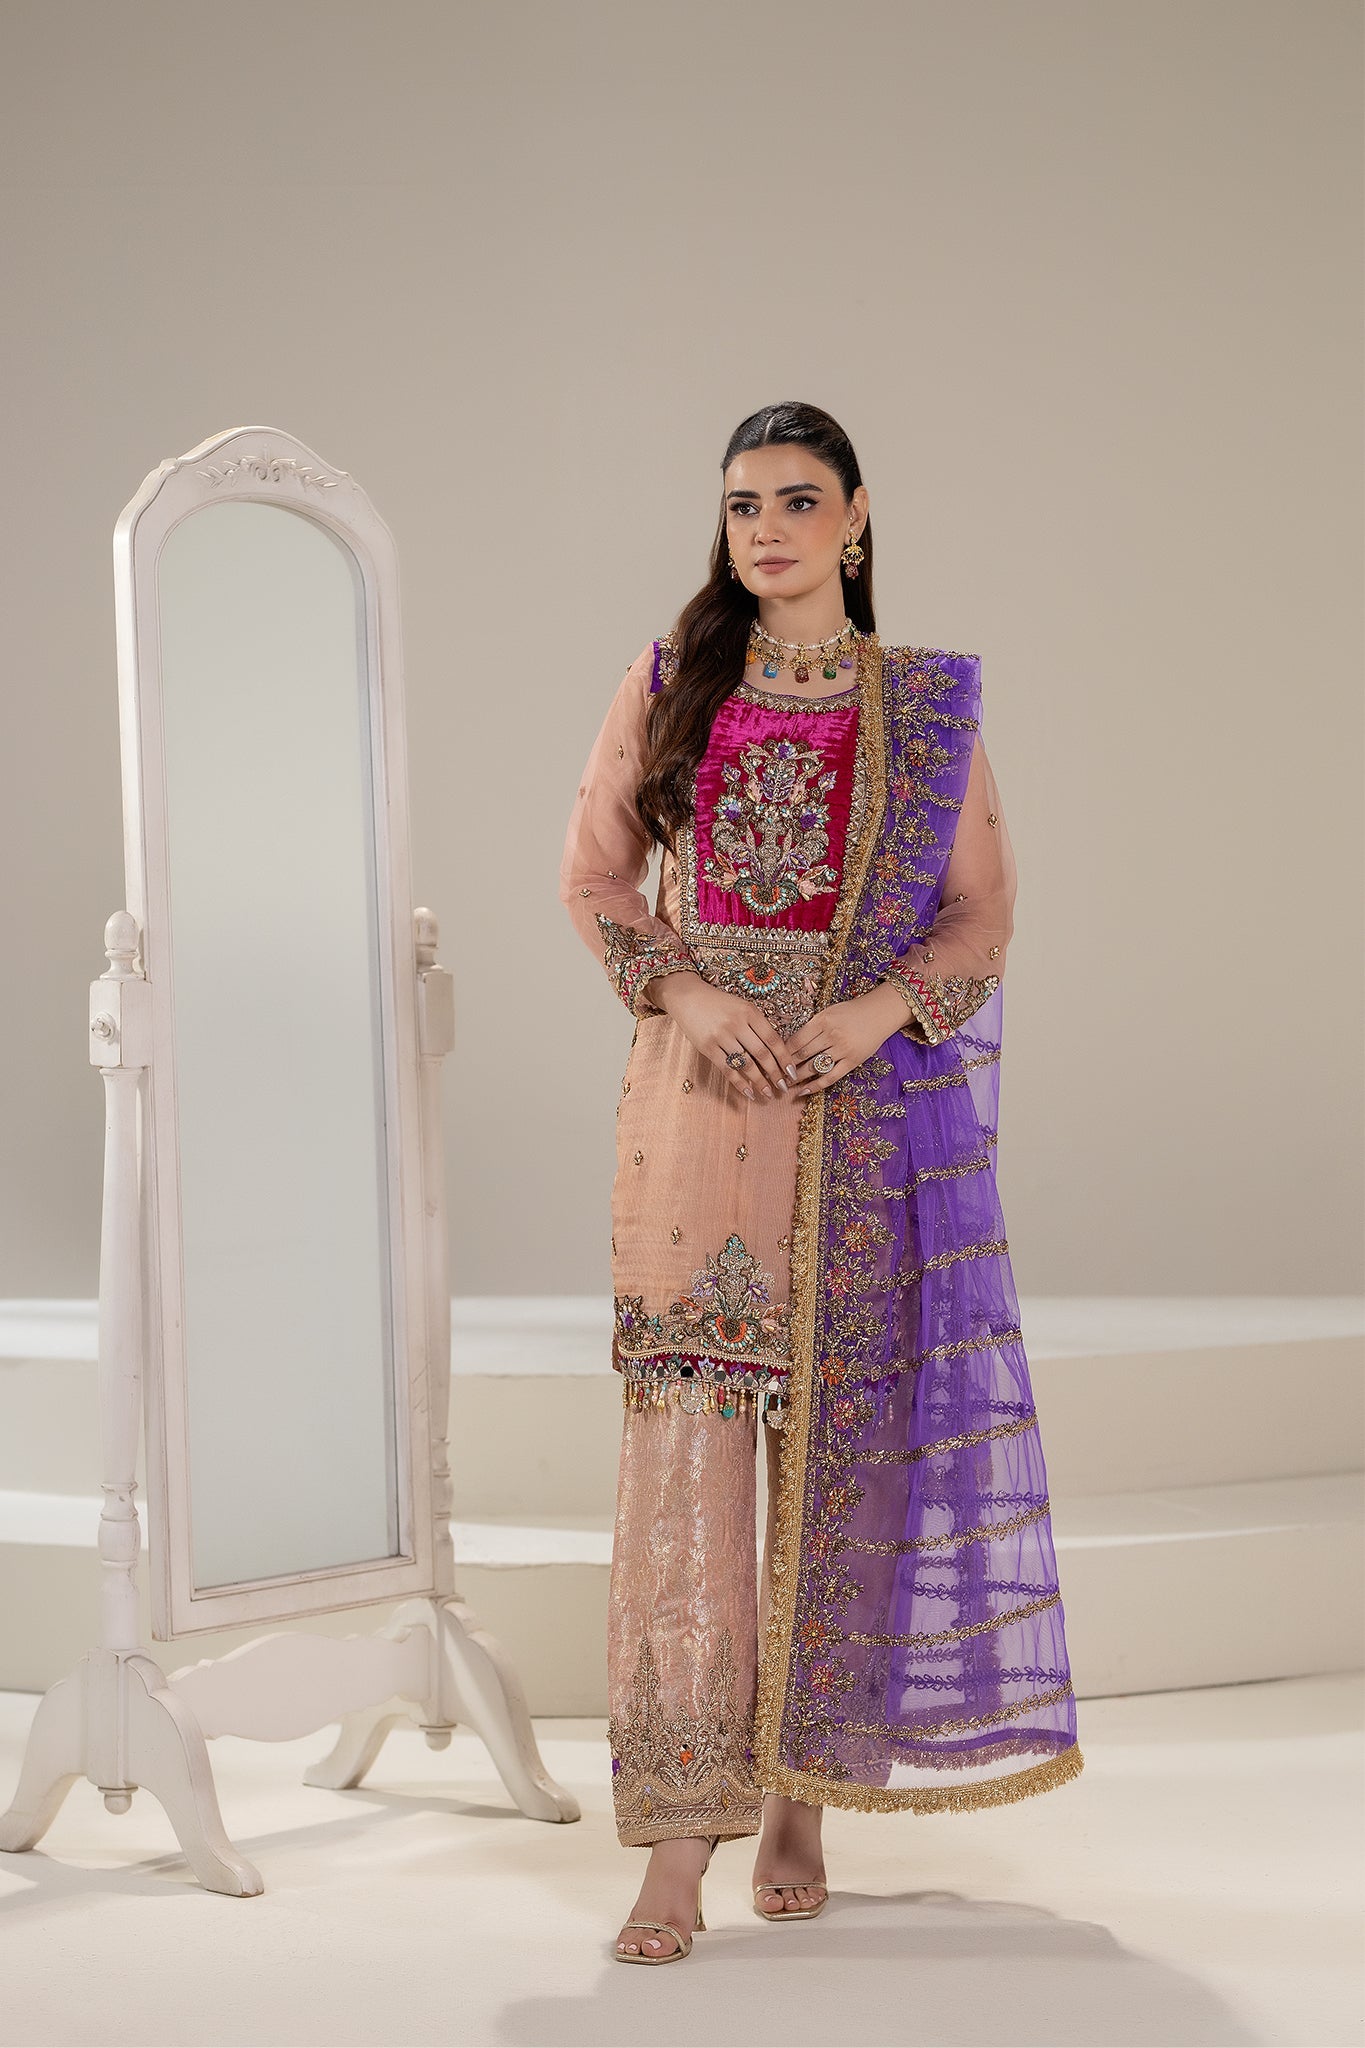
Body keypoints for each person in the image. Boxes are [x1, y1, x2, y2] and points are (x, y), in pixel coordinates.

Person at [559, 400, 1082, 1966]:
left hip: (865, 1117)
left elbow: (982, 915)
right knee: (687, 1468)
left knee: (851, 1466)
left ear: (855, 517)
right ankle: (675, 1845)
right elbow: (594, 877)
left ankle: (802, 1797)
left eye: (797, 500)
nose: (767, 529)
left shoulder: (920, 708)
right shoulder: (673, 679)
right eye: (742, 505)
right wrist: (686, 993)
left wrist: (874, 1012)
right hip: (699, 1111)